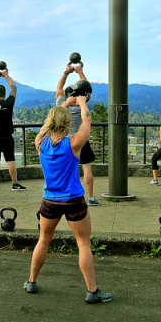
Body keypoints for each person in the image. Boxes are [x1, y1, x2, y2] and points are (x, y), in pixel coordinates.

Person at [24, 99, 112, 303]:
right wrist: (81, 103)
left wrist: (63, 104)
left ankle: (31, 281)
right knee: (83, 244)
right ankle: (92, 291)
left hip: (50, 201)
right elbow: (87, 121)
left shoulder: (41, 144)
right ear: (65, 125)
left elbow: (44, 128)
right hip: (73, 200)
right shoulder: (73, 144)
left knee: (44, 239)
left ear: (50, 122)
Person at [55, 62, 99, 206]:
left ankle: (64, 195)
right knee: (86, 168)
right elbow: (86, 87)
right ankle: (91, 198)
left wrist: (66, 72)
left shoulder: (61, 104)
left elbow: (59, 87)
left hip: (65, 141)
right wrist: (80, 71)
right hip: (81, 140)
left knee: (65, 170)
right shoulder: (82, 105)